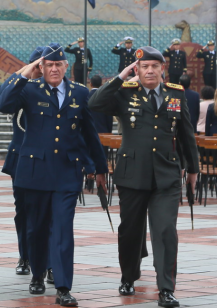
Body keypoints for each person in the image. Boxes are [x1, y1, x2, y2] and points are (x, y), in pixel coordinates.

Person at [0, 43, 108, 306]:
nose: (54, 69)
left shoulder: (79, 93)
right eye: (49, 65)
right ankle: (37, 273)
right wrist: (24, 74)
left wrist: (100, 168)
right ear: (41, 67)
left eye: (59, 64)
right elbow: (2, 103)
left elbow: (90, 134)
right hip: (34, 172)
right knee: (36, 228)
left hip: (67, 173)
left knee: (62, 229)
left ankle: (63, 287)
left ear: (66, 67)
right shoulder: (28, 90)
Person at [88, 46, 199, 308]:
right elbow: (94, 104)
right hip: (132, 174)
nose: (150, 71)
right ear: (136, 70)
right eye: (144, 67)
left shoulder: (175, 93)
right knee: (130, 231)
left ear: (163, 69)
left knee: (165, 231)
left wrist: (192, 169)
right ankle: (128, 276)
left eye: (155, 66)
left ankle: (166, 289)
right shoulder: (125, 93)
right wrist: (120, 77)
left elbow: (186, 133)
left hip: (166, 175)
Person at [0, 47, 45, 277]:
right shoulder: (21, 89)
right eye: (40, 66)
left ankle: (49, 262)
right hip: (22, 158)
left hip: (49, 160)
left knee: (50, 213)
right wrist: (21, 74)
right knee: (23, 211)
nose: (44, 71)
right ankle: (25, 255)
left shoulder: (59, 91)